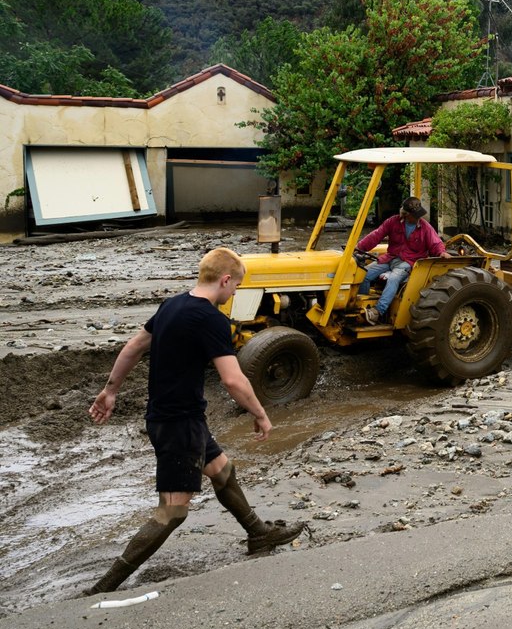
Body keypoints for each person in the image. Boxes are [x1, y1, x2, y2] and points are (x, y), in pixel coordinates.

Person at [84, 247, 305, 596]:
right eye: (236, 287)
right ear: (225, 279)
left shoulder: (171, 305)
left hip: (177, 417)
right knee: (172, 512)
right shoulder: (211, 319)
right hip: (178, 424)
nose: (235, 294)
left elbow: (133, 347)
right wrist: (260, 413)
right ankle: (102, 588)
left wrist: (109, 391)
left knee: (220, 468)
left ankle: (258, 533)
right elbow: (233, 380)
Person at [356, 196, 450, 324]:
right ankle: (361, 306)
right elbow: (376, 235)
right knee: (364, 274)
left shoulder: (425, 227)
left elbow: (435, 243)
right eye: (414, 215)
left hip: (409, 262)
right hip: (390, 258)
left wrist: (442, 253)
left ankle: (377, 312)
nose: (417, 217)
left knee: (394, 278)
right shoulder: (392, 222)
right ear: (405, 214)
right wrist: (359, 247)